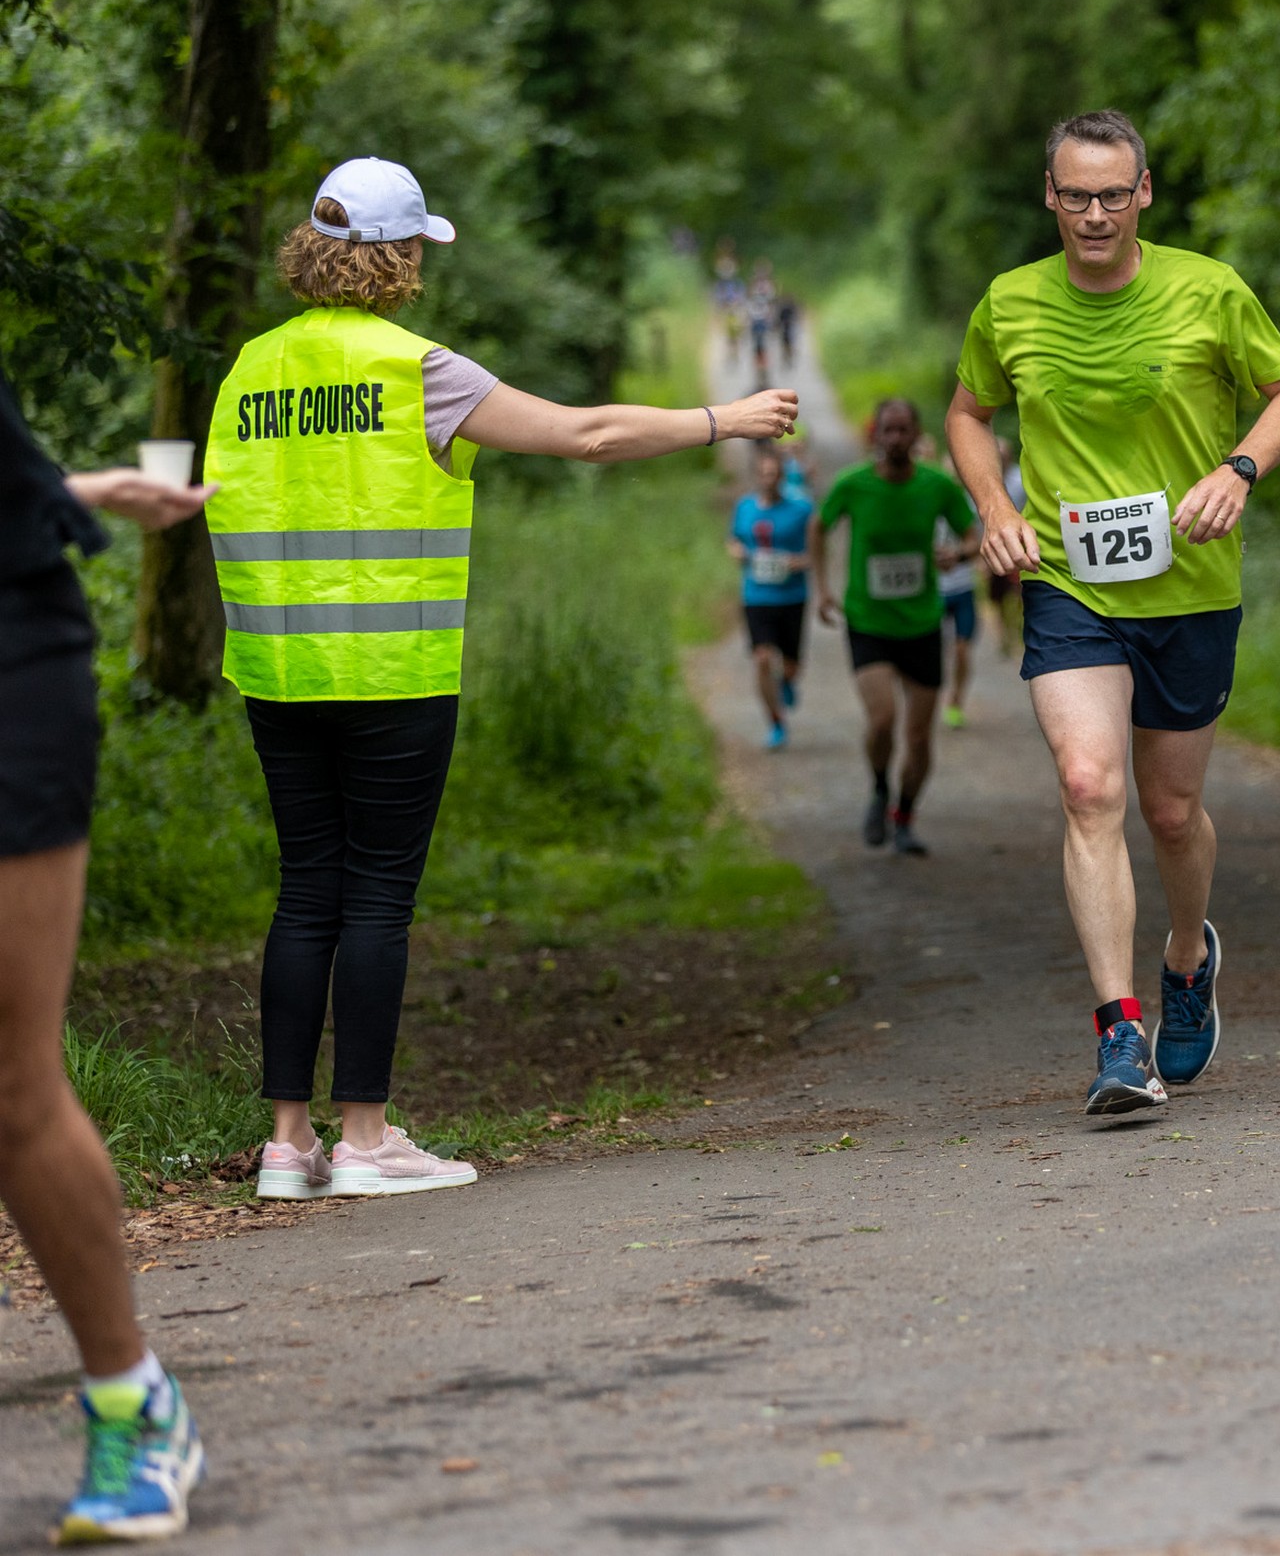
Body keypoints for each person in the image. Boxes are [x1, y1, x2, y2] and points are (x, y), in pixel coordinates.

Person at [209, 157, 797, 1206]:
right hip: (392, 673)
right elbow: (585, 434)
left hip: (278, 670)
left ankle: (288, 1145)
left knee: (306, 891)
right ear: (398, 255)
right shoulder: (416, 370)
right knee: (377, 895)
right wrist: (724, 418)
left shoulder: (250, 370)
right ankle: (366, 1139)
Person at [946, 108, 1280, 1115]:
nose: (1096, 215)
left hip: (1190, 585)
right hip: (1068, 583)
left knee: (1170, 812)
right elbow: (968, 413)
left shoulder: (1209, 289)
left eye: (1115, 194)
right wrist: (994, 509)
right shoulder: (1011, 302)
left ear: (1145, 192)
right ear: (1049, 195)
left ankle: (1187, 956)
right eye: (1077, 196)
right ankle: (1119, 1036)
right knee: (1087, 786)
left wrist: (1239, 469)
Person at [3, 367, 216, 1541]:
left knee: (11, 1081)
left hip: (8, 655)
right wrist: (86, 488)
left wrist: (67, 495)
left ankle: (133, 1400)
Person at [812, 398, 979, 856]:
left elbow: (972, 536)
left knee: (920, 737)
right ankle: (879, 788)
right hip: (868, 621)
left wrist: (959, 555)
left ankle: (904, 817)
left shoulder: (937, 486)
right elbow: (818, 526)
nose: (896, 438)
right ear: (876, 435)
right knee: (883, 719)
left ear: (916, 434)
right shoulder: (853, 485)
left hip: (922, 623)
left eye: (904, 429)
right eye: (888, 429)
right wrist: (822, 588)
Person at [728, 440, 813, 749]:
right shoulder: (744, 508)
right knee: (762, 659)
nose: (768, 479)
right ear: (756, 476)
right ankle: (776, 722)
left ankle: (787, 680)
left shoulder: (801, 509)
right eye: (763, 474)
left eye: (774, 474)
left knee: (790, 666)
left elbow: (816, 552)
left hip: (791, 596)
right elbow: (734, 541)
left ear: (782, 476)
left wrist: (797, 562)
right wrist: (738, 553)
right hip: (756, 596)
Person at [935, 504, 980, 729]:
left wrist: (957, 555)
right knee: (932, 652)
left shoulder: (964, 504)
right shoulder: (922, 498)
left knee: (962, 650)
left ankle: (956, 699)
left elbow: (978, 544)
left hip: (963, 589)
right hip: (933, 592)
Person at [984, 436, 1028, 658]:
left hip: (1022, 546)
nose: (1001, 459)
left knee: (1020, 592)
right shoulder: (987, 482)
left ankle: (1020, 631)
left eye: (1004, 455)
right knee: (998, 597)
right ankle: (1003, 635)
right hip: (997, 545)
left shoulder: (1021, 480)